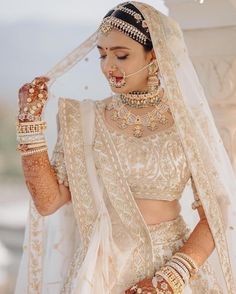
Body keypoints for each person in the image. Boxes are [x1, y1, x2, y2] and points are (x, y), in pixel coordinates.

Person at [15, 1, 236, 294]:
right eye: (102, 55)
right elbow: (49, 201)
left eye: (121, 55)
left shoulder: (186, 123)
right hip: (101, 271)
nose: (108, 67)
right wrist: (29, 124)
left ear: (154, 55)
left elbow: (216, 214)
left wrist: (168, 279)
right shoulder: (85, 121)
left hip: (173, 271)